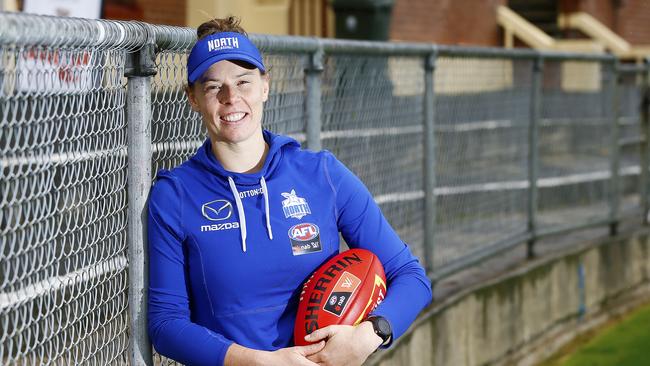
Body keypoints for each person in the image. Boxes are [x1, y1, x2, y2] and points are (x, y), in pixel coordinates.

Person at [147, 16, 432, 366]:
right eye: (212, 87)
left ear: (265, 86)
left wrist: (368, 334)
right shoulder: (174, 195)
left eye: (243, 82)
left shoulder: (322, 174)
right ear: (193, 98)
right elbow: (165, 324)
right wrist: (258, 361)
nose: (231, 98)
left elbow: (411, 277)